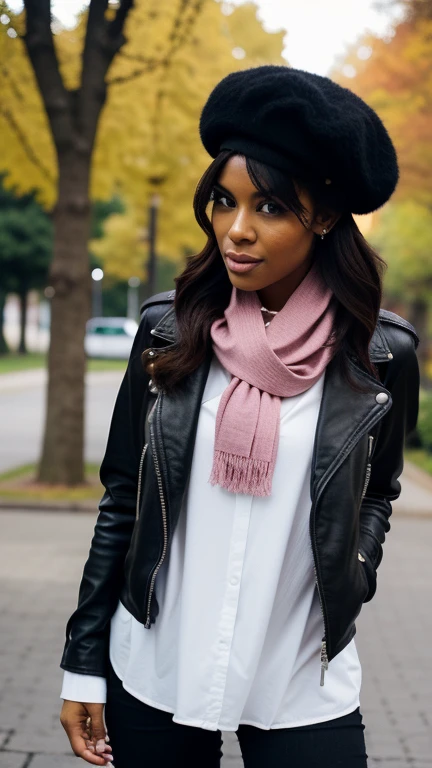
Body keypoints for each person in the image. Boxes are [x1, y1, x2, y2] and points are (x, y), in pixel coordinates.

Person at [59, 66, 420, 768]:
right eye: (224, 201)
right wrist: (83, 662)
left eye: (270, 208)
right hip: (159, 660)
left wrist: (357, 569)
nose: (237, 230)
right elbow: (123, 499)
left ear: (321, 215)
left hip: (299, 672)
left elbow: (378, 490)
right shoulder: (169, 333)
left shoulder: (380, 355)